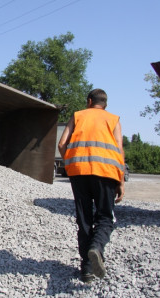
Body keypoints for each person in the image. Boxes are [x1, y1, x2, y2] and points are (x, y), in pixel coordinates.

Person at [58, 88, 125, 283]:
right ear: (105, 104)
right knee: (105, 216)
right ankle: (96, 248)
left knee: (84, 218)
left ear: (89, 101)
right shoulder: (113, 119)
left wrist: (72, 164)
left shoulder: (78, 116)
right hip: (106, 174)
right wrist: (120, 182)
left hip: (79, 173)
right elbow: (119, 151)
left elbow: (62, 144)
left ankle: (86, 269)